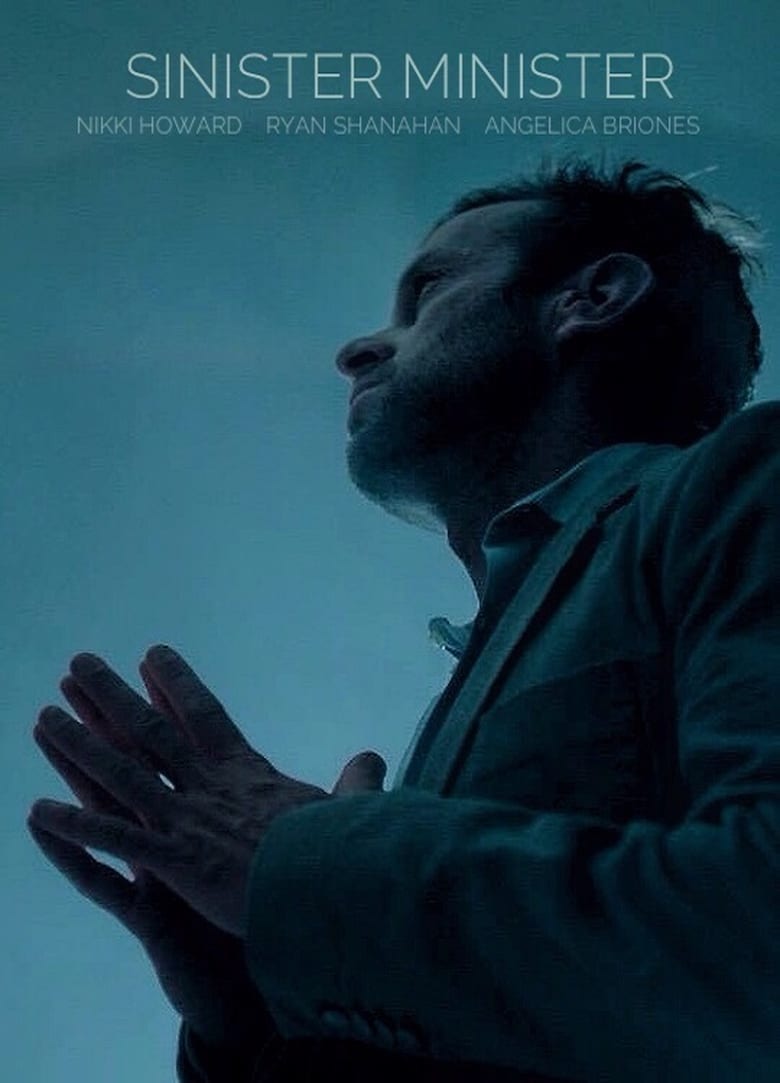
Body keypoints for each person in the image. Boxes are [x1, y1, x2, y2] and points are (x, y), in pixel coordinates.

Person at [28, 159, 780, 1082]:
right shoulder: (487, 658)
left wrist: (304, 869)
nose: (358, 349)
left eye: (427, 294)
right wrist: (255, 1019)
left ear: (591, 297)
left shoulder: (749, 485)